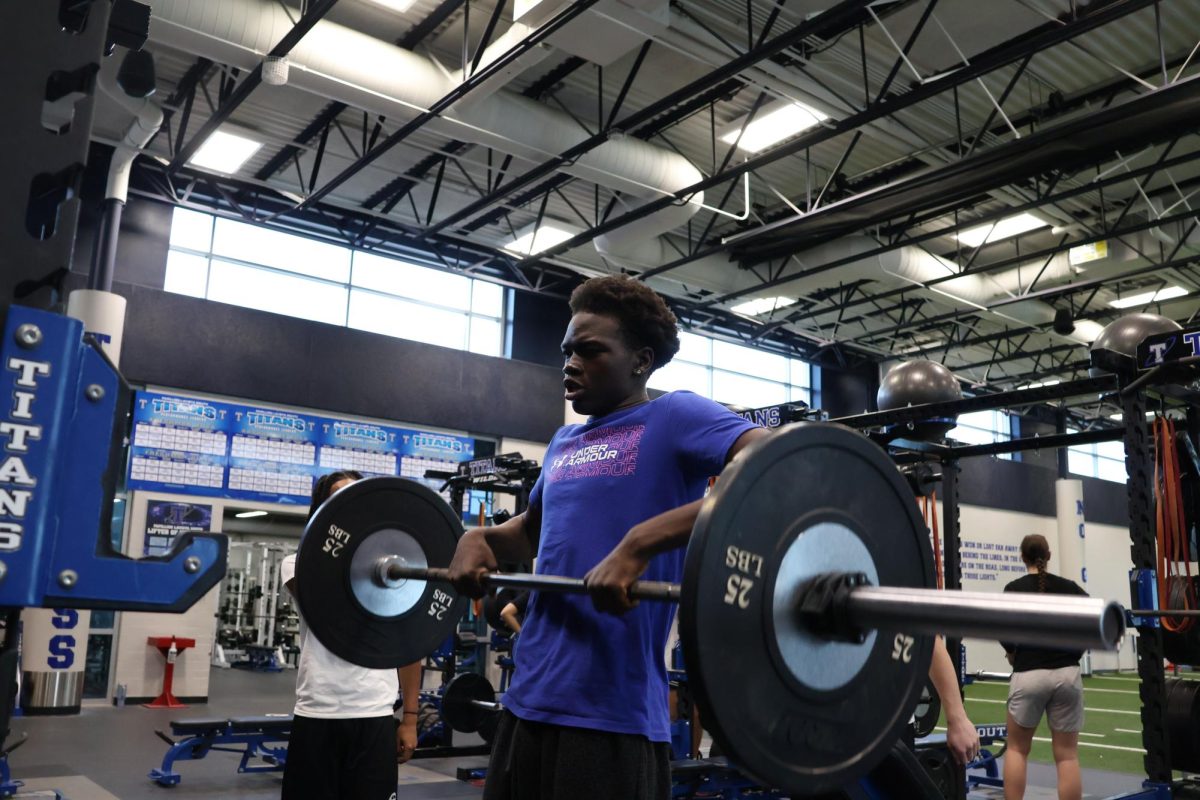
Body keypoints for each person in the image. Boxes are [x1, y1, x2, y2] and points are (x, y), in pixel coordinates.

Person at [447, 275, 978, 799]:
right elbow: (531, 533)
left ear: (641, 360)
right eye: (567, 350)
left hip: (610, 718)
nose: (569, 362)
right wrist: (483, 540)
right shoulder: (564, 441)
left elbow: (780, 468)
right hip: (525, 704)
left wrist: (642, 541)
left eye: (589, 350)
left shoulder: (673, 416)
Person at [280, 470, 424, 800]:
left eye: (354, 498)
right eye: (337, 499)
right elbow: (333, 605)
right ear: (322, 510)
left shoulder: (393, 575)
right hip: (319, 711)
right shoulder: (296, 564)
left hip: (374, 711)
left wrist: (411, 719)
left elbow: (410, 644)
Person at [1000, 534, 1088, 800]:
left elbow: (1001, 627)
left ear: (1022, 557)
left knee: (1016, 750)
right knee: (1067, 757)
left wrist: (1012, 652)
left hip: (1029, 675)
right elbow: (1095, 620)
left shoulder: (1013, 589)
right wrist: (1074, 652)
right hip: (1067, 675)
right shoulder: (1070, 587)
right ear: (1048, 556)